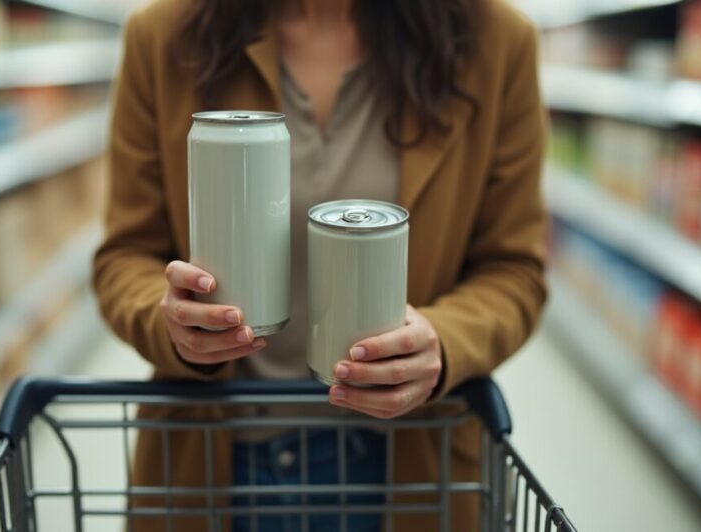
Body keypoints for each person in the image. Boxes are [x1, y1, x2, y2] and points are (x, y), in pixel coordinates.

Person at [93, 0, 547, 530]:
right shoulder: (165, 36)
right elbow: (123, 258)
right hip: (211, 459)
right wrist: (171, 321)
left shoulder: (494, 41)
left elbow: (516, 270)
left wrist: (442, 343)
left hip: (413, 466)